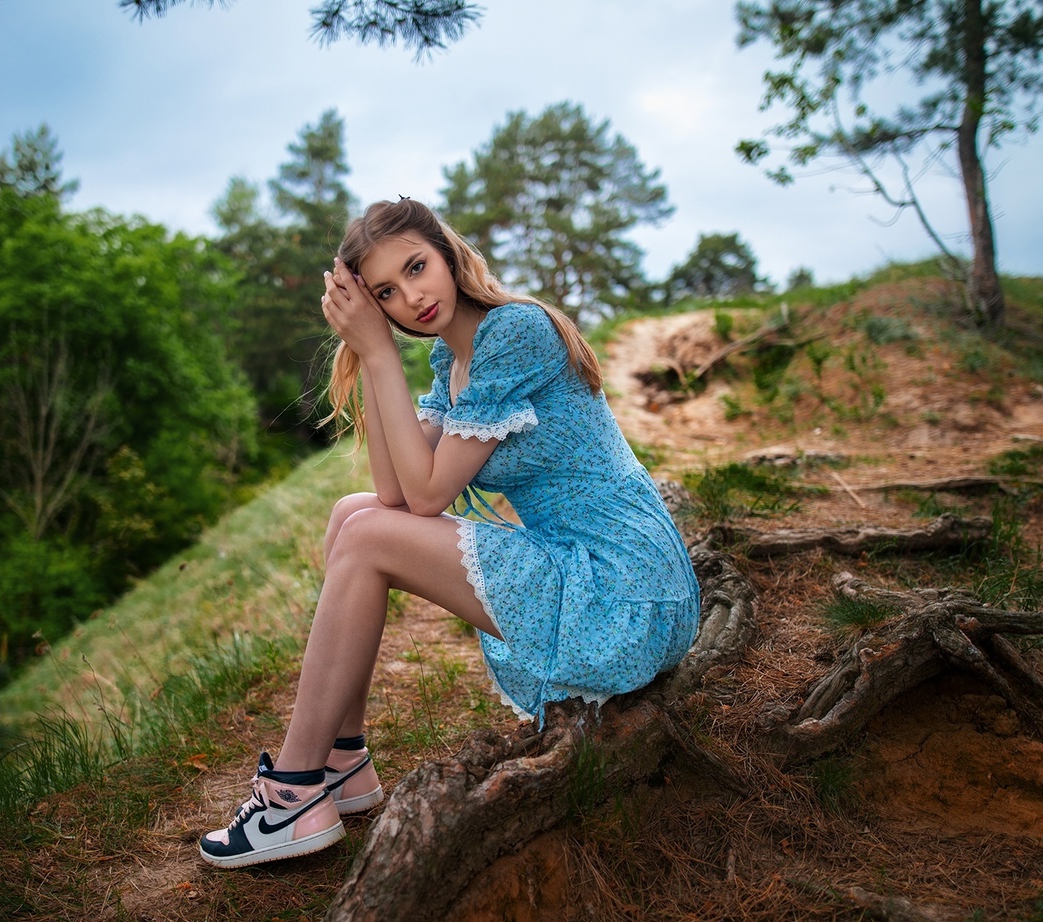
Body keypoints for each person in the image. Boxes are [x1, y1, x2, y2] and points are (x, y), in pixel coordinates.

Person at [199, 198, 699, 868]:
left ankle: (291, 794)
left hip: (623, 586)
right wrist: (371, 351)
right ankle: (342, 760)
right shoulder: (450, 363)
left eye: (416, 267)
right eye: (386, 292)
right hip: (583, 564)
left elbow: (429, 495)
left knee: (369, 536)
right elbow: (393, 493)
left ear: (447, 253)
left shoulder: (515, 333)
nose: (412, 296)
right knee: (355, 515)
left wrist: (377, 354)